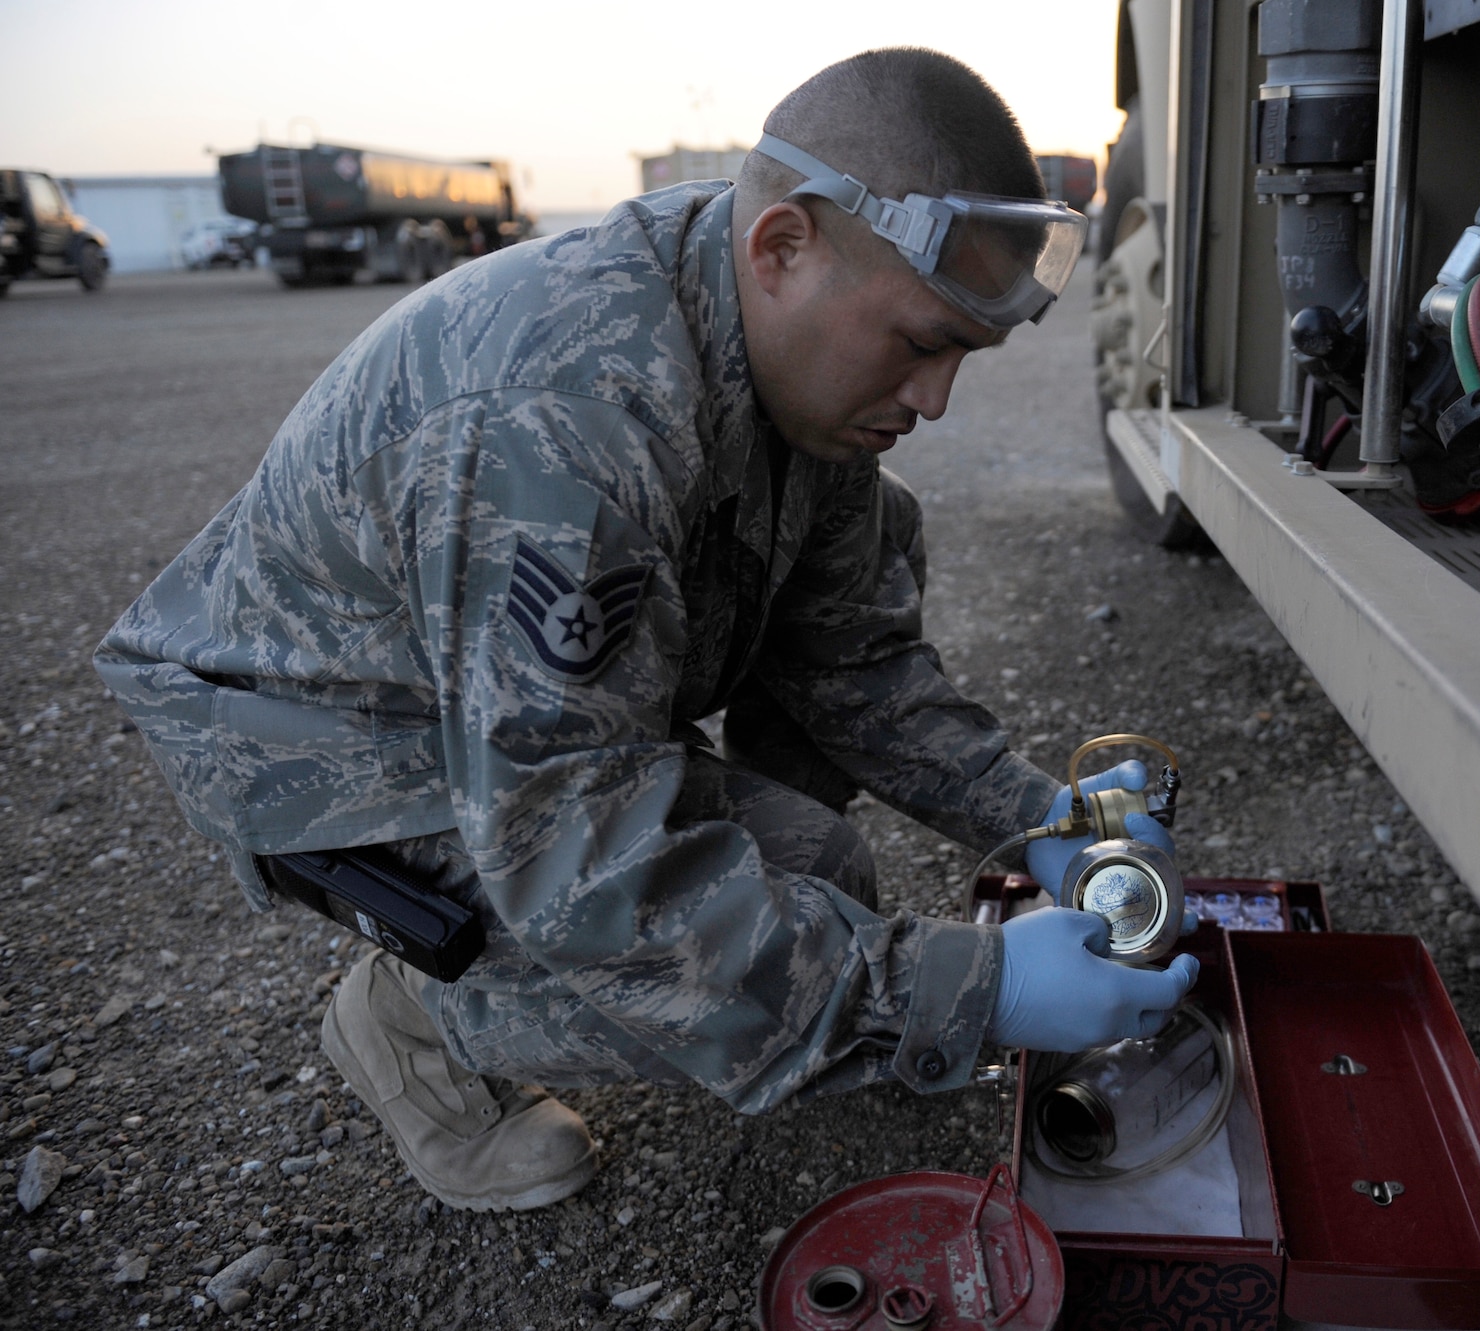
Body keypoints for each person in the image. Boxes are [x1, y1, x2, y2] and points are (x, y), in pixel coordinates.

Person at [94, 48, 1199, 1213]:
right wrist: (964, 992)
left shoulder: (790, 361)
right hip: (321, 733)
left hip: (495, 709)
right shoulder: (566, 419)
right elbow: (579, 846)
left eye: (963, 356)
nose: (935, 401)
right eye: (921, 343)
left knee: (819, 869)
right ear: (784, 246)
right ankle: (423, 1013)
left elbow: (853, 668)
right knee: (686, 944)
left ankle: (740, 968)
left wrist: (1039, 822)